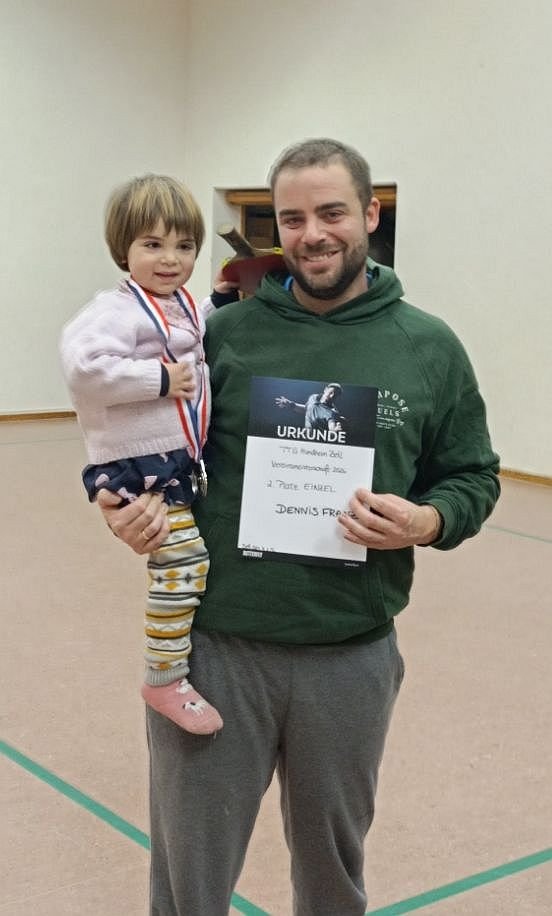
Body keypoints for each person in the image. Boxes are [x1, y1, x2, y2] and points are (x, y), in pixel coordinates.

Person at [98, 139, 500, 915]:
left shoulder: (428, 347)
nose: (312, 234)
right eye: (292, 218)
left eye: (331, 213)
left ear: (371, 215)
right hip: (215, 651)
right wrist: (127, 505)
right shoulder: (222, 336)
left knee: (331, 877)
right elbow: (143, 439)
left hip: (349, 655)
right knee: (187, 880)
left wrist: (426, 519)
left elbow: (473, 476)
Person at [60, 174, 236, 736]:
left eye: (184, 246)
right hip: (138, 463)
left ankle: (173, 665)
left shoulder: (176, 303)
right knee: (181, 563)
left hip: (175, 456)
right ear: (124, 249)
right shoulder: (114, 311)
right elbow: (83, 368)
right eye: (153, 244)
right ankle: (163, 677)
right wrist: (157, 379)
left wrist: (219, 300)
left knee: (185, 557)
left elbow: (185, 333)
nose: (170, 259)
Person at [275, 381, 345, 430]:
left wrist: (335, 430)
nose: (332, 396)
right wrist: (290, 404)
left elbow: (332, 427)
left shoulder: (332, 412)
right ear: (325, 389)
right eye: (331, 392)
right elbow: (307, 410)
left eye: (335, 395)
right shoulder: (313, 397)